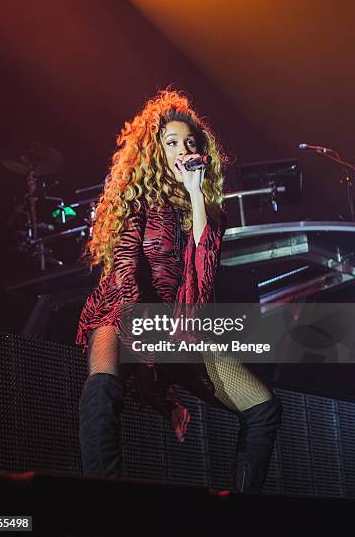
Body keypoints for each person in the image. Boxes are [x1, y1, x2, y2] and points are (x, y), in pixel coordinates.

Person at [76, 89, 282, 492]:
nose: (182, 149)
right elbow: (123, 269)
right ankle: (100, 503)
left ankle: (240, 515)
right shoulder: (134, 198)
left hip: (181, 328)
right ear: (155, 151)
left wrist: (196, 194)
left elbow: (202, 281)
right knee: (102, 389)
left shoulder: (201, 208)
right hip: (124, 311)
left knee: (264, 408)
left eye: (190, 142)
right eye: (171, 143)